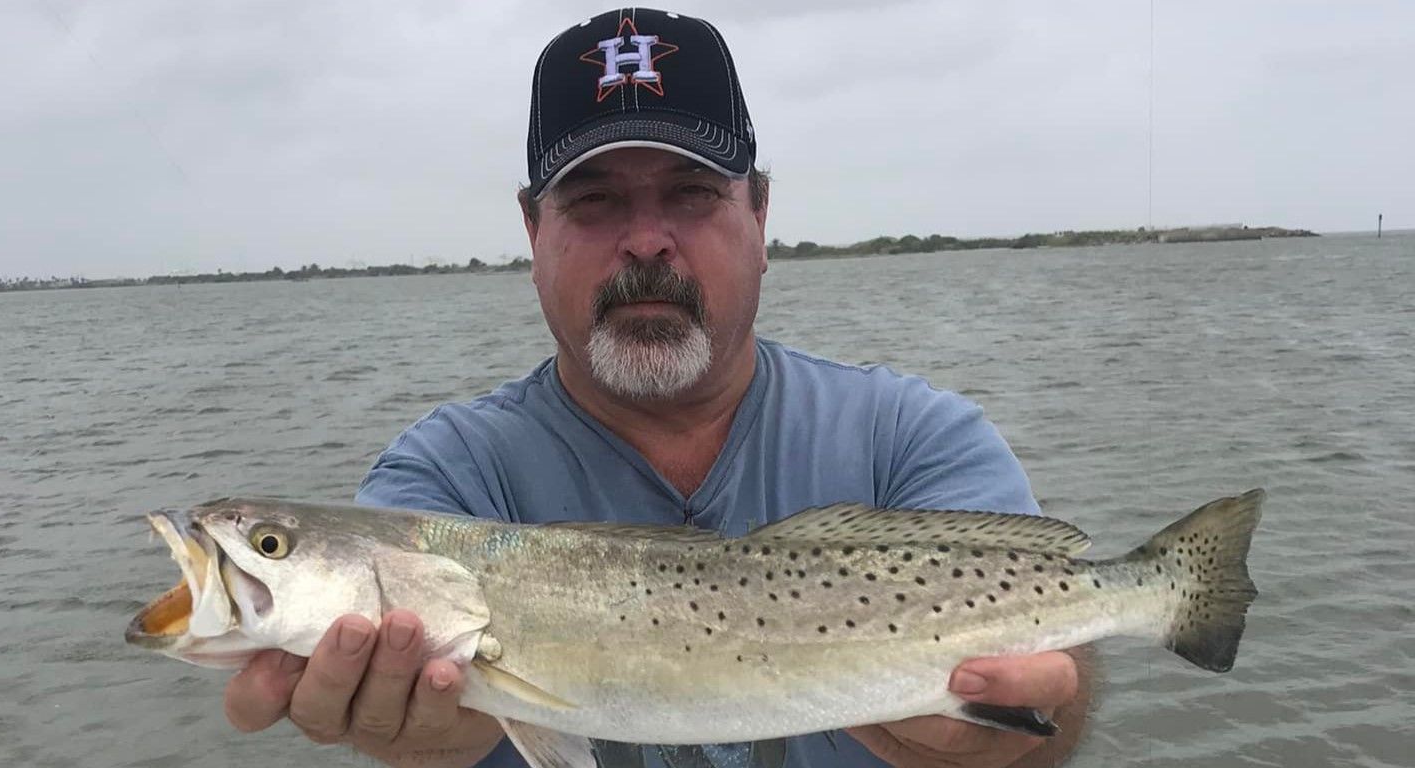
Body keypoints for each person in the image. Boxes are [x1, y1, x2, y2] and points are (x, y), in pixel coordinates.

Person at [222, 8, 1092, 768]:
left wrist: (1016, 733)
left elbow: (1060, 678)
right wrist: (421, 741)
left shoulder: (912, 436)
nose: (646, 241)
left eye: (690, 193)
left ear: (759, 216)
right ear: (533, 231)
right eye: (594, 201)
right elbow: (422, 719)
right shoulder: (446, 476)